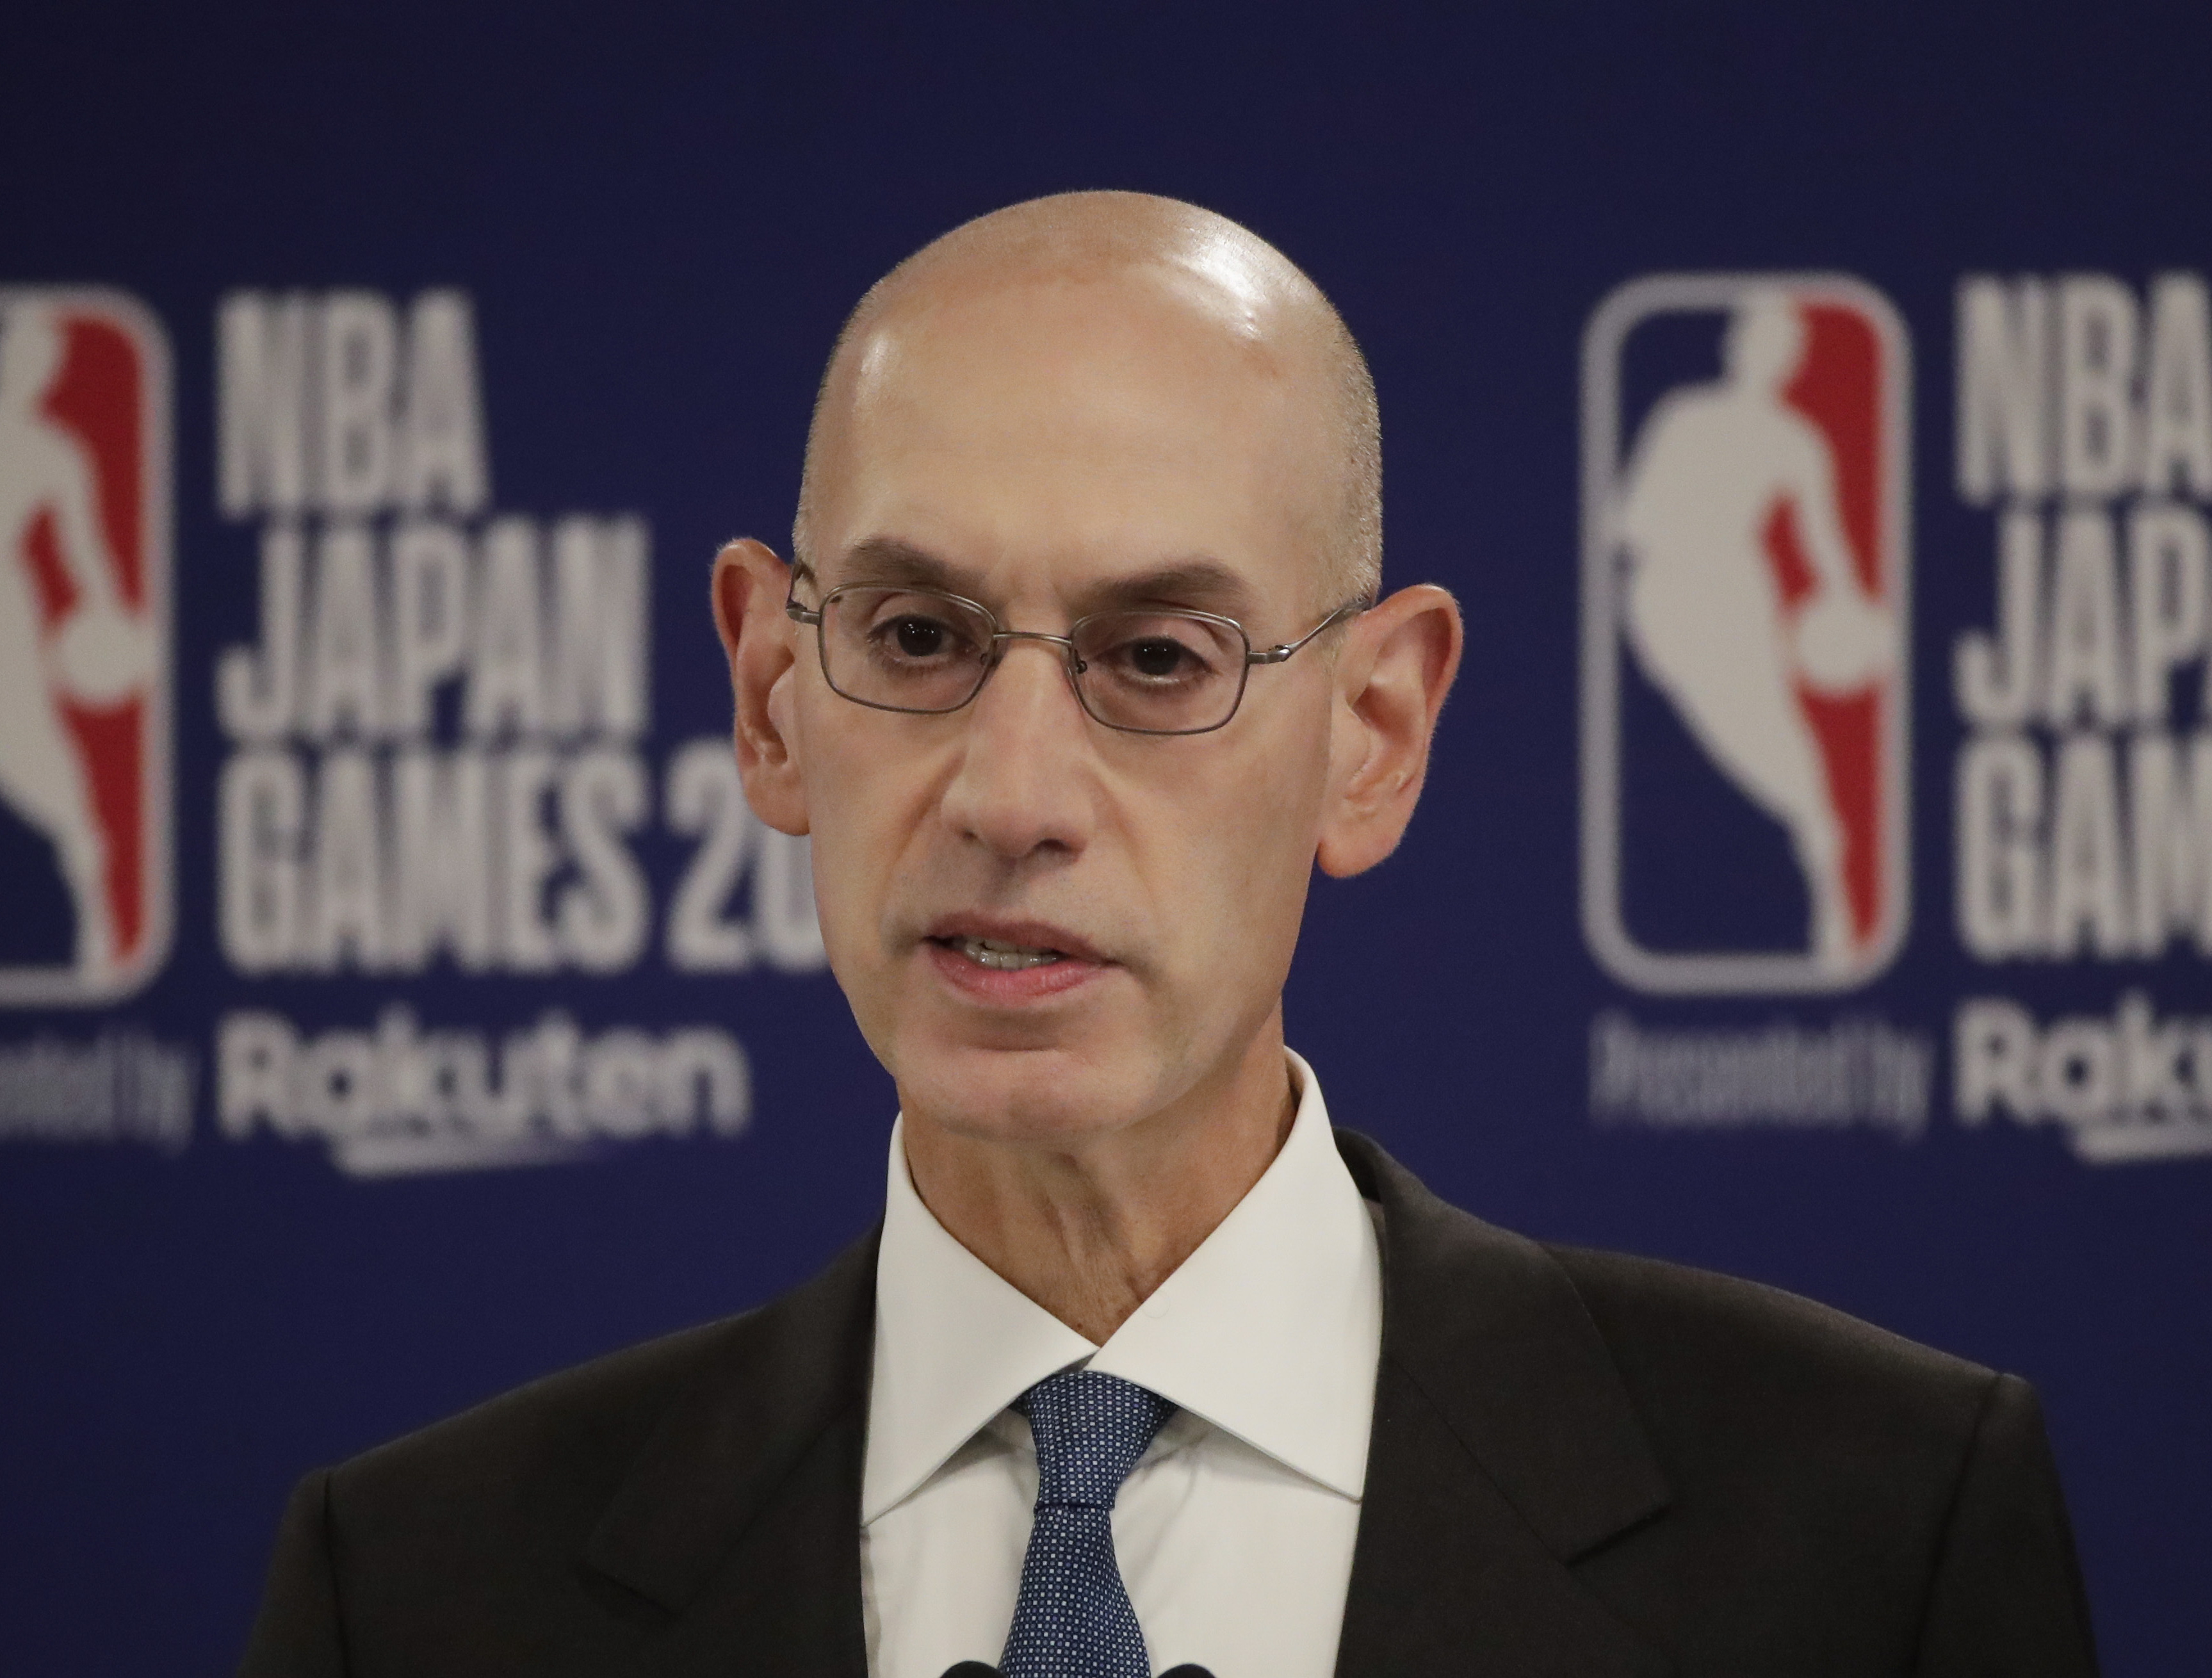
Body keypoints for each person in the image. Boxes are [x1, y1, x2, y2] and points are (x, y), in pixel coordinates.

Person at [239, 195, 2095, 1677]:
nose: (1010, 792)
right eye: (913, 636)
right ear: (768, 691)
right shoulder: (414, 1593)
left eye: (1154, 659)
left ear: (1369, 737)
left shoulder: (1869, 1527)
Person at [1619, 288, 1896, 972]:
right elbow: (1627, 520)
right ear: (1736, 347)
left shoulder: (1795, 443)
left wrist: (1851, 611)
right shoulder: (1683, 416)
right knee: (1739, 752)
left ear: (1792, 362)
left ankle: (1830, 899)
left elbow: (1826, 550)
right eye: (1758, 341)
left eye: (1783, 348)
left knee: (1791, 762)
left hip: (1742, 604)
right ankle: (1813, 856)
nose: (1767, 356)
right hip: (1665, 603)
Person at [0, 300, 151, 978]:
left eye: (47, 363)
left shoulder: (53, 451)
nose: (38, 373)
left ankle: (96, 927)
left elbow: (88, 558)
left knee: (57, 782)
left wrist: (114, 619)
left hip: (8, 621)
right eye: (25, 357)